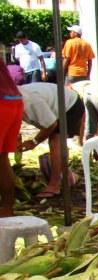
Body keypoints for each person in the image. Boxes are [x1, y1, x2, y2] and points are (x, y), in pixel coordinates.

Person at [17, 82, 85, 198]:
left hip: (70, 105)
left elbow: (51, 125)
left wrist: (34, 142)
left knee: (55, 140)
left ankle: (54, 185)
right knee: (54, 139)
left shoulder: (31, 102)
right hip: (55, 103)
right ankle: (68, 175)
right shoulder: (13, 100)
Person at [0, 57, 24, 217]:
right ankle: (7, 208)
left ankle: (7, 209)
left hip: (2, 103)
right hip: (15, 100)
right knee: (2, 158)